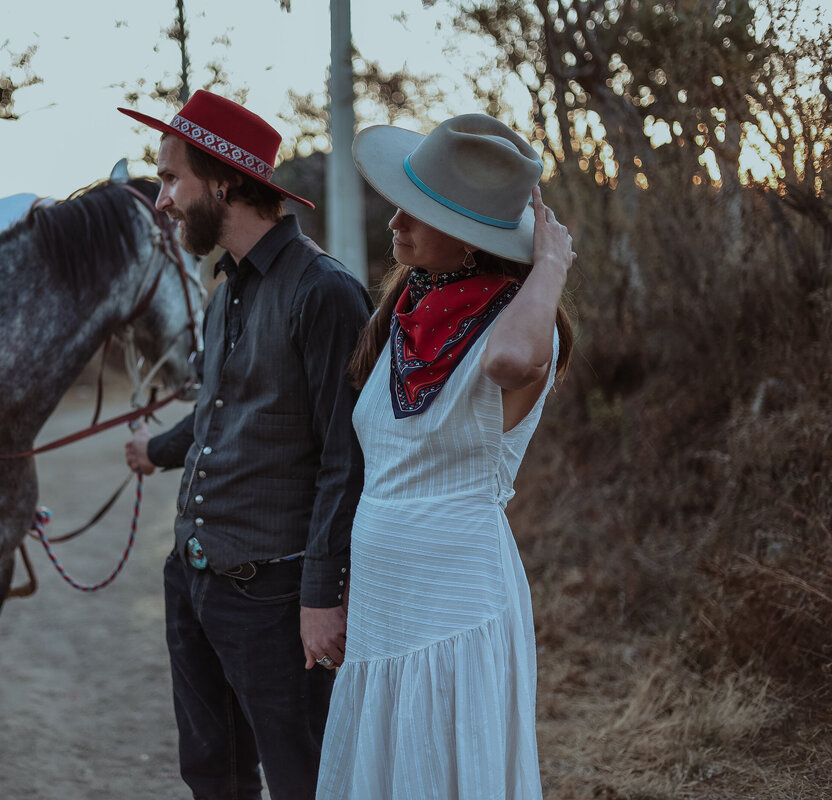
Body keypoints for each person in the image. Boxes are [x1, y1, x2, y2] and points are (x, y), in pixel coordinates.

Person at [118, 90, 371, 800]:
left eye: (171, 180)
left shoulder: (324, 293)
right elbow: (222, 414)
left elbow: (343, 460)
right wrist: (155, 450)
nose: (162, 202)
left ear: (224, 181)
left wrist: (323, 598)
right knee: (212, 774)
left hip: (274, 595)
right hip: (193, 580)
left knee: (302, 779)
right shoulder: (226, 291)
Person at [315, 113, 576, 799]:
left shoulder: (518, 328)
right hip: (383, 601)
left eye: (418, 210)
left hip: (454, 605)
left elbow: (513, 358)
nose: (395, 221)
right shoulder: (404, 321)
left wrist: (550, 263)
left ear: (469, 236)